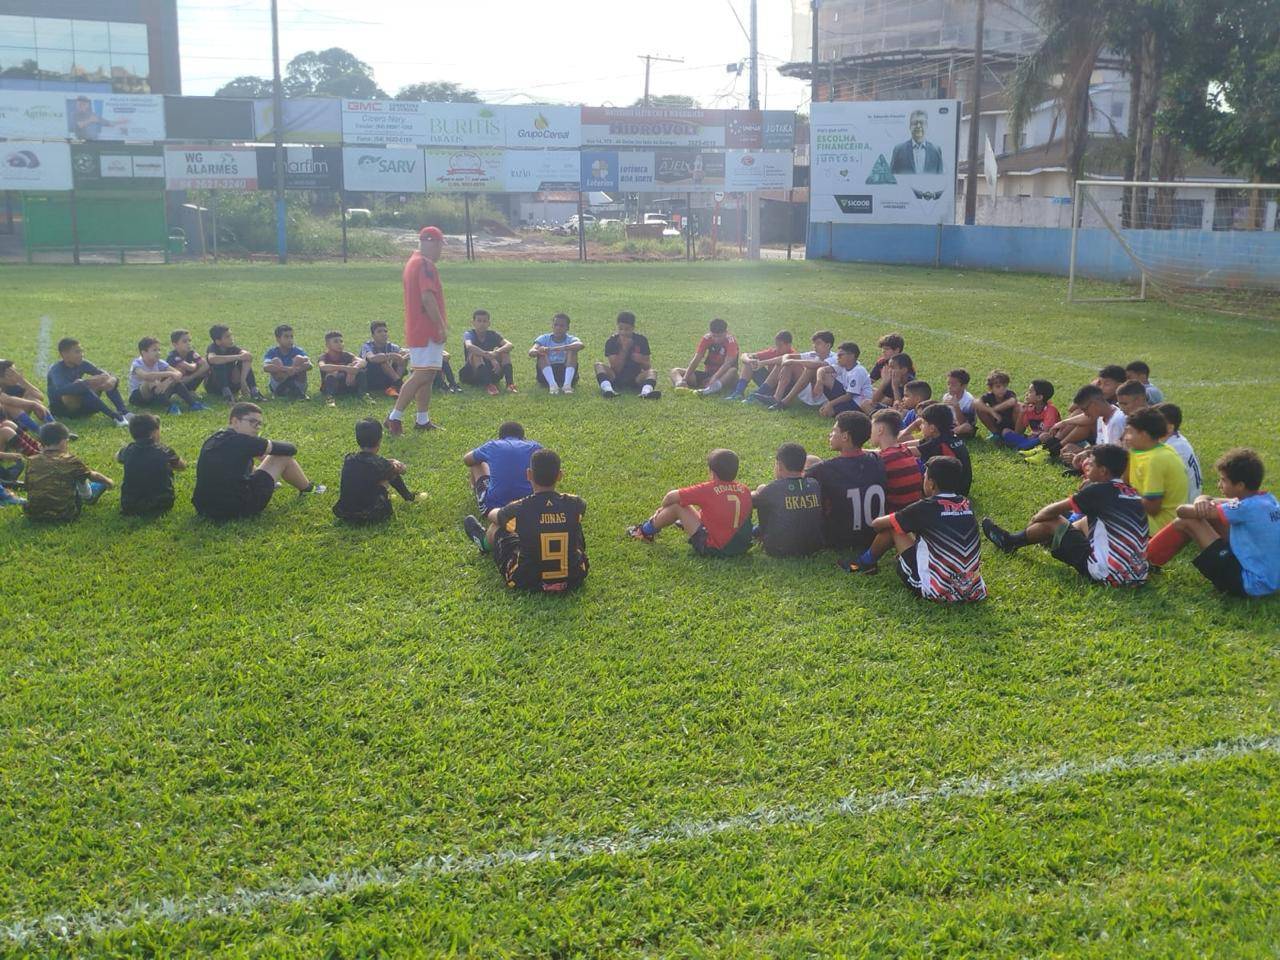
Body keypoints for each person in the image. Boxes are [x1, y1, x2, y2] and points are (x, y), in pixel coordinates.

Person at [982, 443, 1149, 587]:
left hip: (1108, 575)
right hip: (1137, 575)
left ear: (1104, 471)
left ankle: (1011, 541)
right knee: (1086, 521)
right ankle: (1047, 539)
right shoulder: (1132, 493)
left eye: (1091, 464)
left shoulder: (1099, 490)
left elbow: (1052, 511)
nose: (1087, 466)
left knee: (1054, 522)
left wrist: (1035, 519)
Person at [1147, 448, 1279, 597]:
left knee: (1187, 521)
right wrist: (1201, 500)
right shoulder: (1267, 500)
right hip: (1270, 582)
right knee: (1214, 516)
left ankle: (1143, 562)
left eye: (1223, 480)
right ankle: (1147, 560)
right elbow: (1213, 502)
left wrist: (1199, 505)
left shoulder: (1243, 508)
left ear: (1240, 485)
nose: (1219, 485)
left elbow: (1182, 511)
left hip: (1248, 584)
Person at [869, 456, 987, 603]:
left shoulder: (925, 507)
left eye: (924, 477)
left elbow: (876, 524)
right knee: (909, 526)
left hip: (936, 591)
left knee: (894, 526)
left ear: (931, 484)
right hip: (973, 590)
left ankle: (866, 562)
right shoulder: (966, 504)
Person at [471, 448, 589, 593]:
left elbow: (494, 515)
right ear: (559, 475)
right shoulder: (577, 503)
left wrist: (499, 511)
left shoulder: (520, 507)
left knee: (500, 525)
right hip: (574, 577)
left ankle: (483, 543)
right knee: (575, 523)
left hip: (525, 579)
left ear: (529, 474)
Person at [192, 402, 324, 520]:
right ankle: (309, 489)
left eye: (259, 424)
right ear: (235, 421)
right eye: (252, 422)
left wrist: (262, 455)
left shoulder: (215, 438)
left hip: (203, 507)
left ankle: (272, 482)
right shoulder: (245, 441)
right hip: (236, 509)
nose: (257, 427)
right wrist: (265, 452)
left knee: (257, 456)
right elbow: (290, 449)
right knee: (283, 457)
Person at [628, 448, 753, 557]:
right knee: (701, 508)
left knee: (678, 506)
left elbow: (671, 496)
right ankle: (682, 523)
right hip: (742, 547)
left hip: (716, 548)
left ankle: (644, 531)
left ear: (712, 473)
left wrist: (662, 508)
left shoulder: (709, 489)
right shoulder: (745, 490)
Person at [843, 408, 922, 573]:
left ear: (880, 429)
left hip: (897, 517)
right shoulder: (904, 451)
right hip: (913, 515)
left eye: (872, 427)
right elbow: (878, 453)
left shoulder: (880, 460)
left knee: (890, 525)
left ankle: (865, 562)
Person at [386, 226, 448, 435]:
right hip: (426, 328)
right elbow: (427, 297)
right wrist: (440, 324)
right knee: (423, 374)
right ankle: (395, 417)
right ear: (433, 242)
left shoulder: (412, 262)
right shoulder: (425, 264)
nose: (440, 251)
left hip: (417, 327)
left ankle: (422, 419)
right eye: (440, 245)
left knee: (427, 375)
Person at [804, 410, 887, 555]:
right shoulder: (877, 459)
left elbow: (796, 479)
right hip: (873, 534)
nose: (830, 434)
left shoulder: (825, 469)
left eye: (834, 430)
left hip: (839, 538)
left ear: (845, 436)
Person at [332, 418, 421, 523]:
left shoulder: (349, 458)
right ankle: (408, 496)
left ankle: (381, 496)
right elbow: (402, 470)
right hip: (370, 514)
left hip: (344, 512)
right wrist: (398, 464)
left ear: (358, 440)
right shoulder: (381, 465)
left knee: (379, 474)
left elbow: (367, 466)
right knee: (391, 474)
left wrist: (388, 462)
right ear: (379, 440)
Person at [24, 421, 112, 523]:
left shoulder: (31, 460)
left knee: (76, 474)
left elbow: (28, 485)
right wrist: (108, 481)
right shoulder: (70, 460)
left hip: (33, 514)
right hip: (64, 515)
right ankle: (88, 497)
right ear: (63, 442)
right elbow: (92, 475)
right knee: (82, 476)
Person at [462, 421, 542, 529]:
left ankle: (477, 491)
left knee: (476, 462)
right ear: (523, 438)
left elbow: (467, 460)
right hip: (528, 507)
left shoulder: (492, 445)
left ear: (500, 438)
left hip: (494, 509)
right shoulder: (535, 447)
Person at [751, 443, 824, 558]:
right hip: (814, 546)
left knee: (761, 493)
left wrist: (756, 492)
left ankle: (757, 533)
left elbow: (750, 502)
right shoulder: (814, 484)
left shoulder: (773, 488)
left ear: (779, 465)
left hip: (779, 549)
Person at [1123, 406, 1189, 534]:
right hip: (1148, 517)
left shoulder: (1155, 459)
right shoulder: (1141, 451)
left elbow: (1153, 508)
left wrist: (1120, 499)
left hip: (1160, 526)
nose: (1126, 437)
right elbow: (1125, 482)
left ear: (1144, 435)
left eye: (1130, 432)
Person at [46, 337, 130, 427]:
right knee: (82, 386)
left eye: (81, 351)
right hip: (64, 411)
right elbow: (60, 390)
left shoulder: (82, 363)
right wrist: (87, 382)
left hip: (82, 407)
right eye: (77, 352)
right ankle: (115, 417)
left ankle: (124, 412)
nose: (82, 354)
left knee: (102, 381)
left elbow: (105, 374)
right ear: (65, 354)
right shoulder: (57, 369)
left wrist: (112, 380)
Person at [116, 412, 185, 516]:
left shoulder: (128, 451)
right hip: (160, 504)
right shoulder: (165, 451)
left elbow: (117, 457)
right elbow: (182, 467)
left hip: (130, 504)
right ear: (154, 433)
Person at [752, 330, 839, 410]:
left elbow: (819, 365)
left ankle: (783, 402)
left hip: (822, 395)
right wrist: (763, 363)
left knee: (808, 367)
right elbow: (786, 356)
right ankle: (776, 398)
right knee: (789, 364)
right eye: (814, 343)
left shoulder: (835, 357)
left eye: (818, 343)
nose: (815, 346)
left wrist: (792, 361)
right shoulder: (813, 354)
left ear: (828, 345)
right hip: (808, 390)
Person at [128, 337, 205, 413]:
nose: (158, 353)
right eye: (154, 350)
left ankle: (193, 404)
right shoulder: (137, 363)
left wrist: (166, 382)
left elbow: (178, 374)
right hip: (139, 397)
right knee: (151, 381)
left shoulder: (159, 362)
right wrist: (169, 374)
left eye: (159, 350)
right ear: (144, 352)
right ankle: (169, 407)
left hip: (156, 392)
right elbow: (146, 376)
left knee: (175, 382)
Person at [596, 311, 660, 399]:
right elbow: (615, 368)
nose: (623, 332)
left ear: (633, 328)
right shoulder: (611, 341)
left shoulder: (641, 340)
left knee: (653, 372)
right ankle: (608, 390)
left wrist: (641, 360)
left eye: (627, 329)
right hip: (616, 377)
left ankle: (646, 393)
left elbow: (647, 367)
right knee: (598, 366)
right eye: (620, 329)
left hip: (636, 377)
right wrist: (625, 349)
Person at [913, 403, 972, 496]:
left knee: (912, 464)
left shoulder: (939, 444)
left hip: (951, 493)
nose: (920, 426)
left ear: (932, 428)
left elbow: (908, 451)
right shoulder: (949, 436)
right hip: (962, 489)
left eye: (923, 423)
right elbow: (917, 443)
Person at [672, 317, 739, 396]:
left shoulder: (731, 341)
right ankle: (681, 386)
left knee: (733, 371)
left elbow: (727, 364)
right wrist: (684, 379)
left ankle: (707, 391)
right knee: (675, 371)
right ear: (710, 332)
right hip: (708, 374)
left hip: (724, 376)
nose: (716, 339)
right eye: (714, 336)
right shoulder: (707, 338)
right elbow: (697, 359)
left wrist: (714, 378)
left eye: (720, 336)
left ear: (726, 332)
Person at [1154, 401, 1202, 501]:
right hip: (1188, 501)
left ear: (1170, 428)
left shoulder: (1172, 450)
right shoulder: (1177, 440)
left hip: (1181, 508)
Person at [726, 330, 795, 400]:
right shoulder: (773, 352)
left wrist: (763, 363)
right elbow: (745, 355)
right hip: (769, 385)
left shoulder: (794, 355)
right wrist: (749, 360)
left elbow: (782, 359)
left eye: (780, 346)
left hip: (784, 390)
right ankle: (738, 392)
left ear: (789, 345)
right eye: (776, 345)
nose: (777, 348)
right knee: (750, 363)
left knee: (779, 366)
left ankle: (757, 396)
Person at [461, 309, 516, 395]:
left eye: (484, 321)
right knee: (476, 355)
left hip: (492, 371)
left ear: (489, 323)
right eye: (479, 321)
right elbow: (469, 346)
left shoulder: (492, 334)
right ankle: (489, 386)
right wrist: (488, 356)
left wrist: (496, 352)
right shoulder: (469, 334)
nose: (482, 324)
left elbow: (510, 345)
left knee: (505, 353)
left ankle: (510, 384)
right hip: (473, 375)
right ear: (473, 322)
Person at [205, 324, 264, 403]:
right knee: (220, 363)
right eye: (227, 337)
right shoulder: (213, 347)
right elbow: (212, 359)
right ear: (218, 341)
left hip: (232, 385)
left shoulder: (232, 347)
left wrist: (243, 381)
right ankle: (227, 395)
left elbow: (248, 356)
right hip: (215, 386)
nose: (231, 338)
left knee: (245, 360)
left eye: (231, 335)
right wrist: (238, 357)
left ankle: (254, 391)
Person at [529, 313, 584, 394]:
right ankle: (552, 385)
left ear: (567, 328)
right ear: (552, 326)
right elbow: (531, 351)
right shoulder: (544, 338)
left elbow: (580, 345)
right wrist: (539, 351)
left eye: (562, 326)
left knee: (572, 350)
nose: (558, 328)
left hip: (565, 371)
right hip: (546, 373)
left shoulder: (571, 339)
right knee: (542, 353)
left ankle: (567, 385)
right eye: (556, 325)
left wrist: (556, 348)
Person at [816, 341, 874, 416]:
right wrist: (819, 382)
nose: (837, 358)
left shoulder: (858, 371)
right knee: (824, 375)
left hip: (857, 403)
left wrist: (830, 404)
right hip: (846, 396)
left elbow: (849, 396)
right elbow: (822, 369)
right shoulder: (843, 366)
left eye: (840, 355)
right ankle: (832, 406)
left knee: (827, 413)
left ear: (851, 356)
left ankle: (855, 414)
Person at [999, 379, 1059, 450]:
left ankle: (1021, 447)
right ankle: (1026, 446)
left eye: (1030, 392)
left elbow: (1048, 433)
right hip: (1033, 440)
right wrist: (1022, 413)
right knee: (1005, 431)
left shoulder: (1050, 410)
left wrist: (1035, 435)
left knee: (1043, 437)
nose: (1027, 394)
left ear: (1039, 397)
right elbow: (1018, 432)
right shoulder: (1029, 408)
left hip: (1047, 440)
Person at [262, 324, 313, 400]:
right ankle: (287, 391)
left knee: (299, 359)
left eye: (291, 336)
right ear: (278, 339)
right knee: (276, 361)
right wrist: (286, 369)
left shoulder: (298, 350)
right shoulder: (272, 351)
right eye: (286, 337)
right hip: (279, 383)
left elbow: (309, 365)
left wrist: (295, 369)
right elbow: (266, 367)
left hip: (297, 382)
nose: (290, 340)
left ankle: (297, 390)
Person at [360, 320, 410, 398]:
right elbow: (372, 358)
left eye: (385, 331)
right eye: (379, 332)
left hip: (388, 378)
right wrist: (390, 356)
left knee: (403, 359)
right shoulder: (367, 346)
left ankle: (394, 387)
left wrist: (401, 356)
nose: (383, 334)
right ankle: (399, 385)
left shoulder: (392, 346)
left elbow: (407, 352)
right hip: (372, 378)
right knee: (382, 360)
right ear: (373, 335)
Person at [317, 331, 368, 406]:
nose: (340, 344)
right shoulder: (324, 356)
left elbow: (363, 361)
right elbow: (322, 366)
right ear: (327, 345)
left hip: (348, 384)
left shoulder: (347, 355)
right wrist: (346, 368)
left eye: (341, 341)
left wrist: (354, 369)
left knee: (360, 372)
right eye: (336, 342)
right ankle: (330, 397)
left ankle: (363, 394)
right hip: (333, 386)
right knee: (331, 375)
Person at [890, 109, 944, 174]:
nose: (918, 126)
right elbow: (891, 177)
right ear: (910, 126)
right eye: (915, 123)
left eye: (921, 123)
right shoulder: (898, 150)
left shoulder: (936, 150)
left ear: (926, 126)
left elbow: (941, 177)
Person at [973, 369, 1018, 437]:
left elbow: (1012, 402)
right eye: (998, 387)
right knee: (979, 409)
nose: (1002, 389)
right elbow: (975, 402)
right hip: (997, 422)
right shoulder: (989, 396)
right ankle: (996, 434)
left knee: (1019, 406)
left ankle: (1017, 434)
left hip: (1010, 423)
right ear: (990, 388)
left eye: (1005, 386)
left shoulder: (1009, 394)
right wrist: (990, 411)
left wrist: (994, 409)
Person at [166, 330, 210, 395]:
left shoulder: (191, 353)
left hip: (186, 380)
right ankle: (177, 393)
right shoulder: (173, 356)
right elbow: (190, 368)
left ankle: (190, 390)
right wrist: (196, 364)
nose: (188, 343)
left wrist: (191, 377)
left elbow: (206, 365)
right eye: (184, 341)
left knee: (204, 369)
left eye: (189, 341)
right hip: (174, 384)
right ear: (175, 345)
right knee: (181, 369)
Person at [941, 369, 977, 437]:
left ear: (964, 386)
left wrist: (956, 407)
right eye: (948, 384)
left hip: (961, 426)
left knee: (966, 427)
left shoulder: (969, 401)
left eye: (953, 385)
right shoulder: (946, 396)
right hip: (949, 424)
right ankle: (947, 434)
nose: (949, 387)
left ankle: (946, 435)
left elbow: (964, 423)